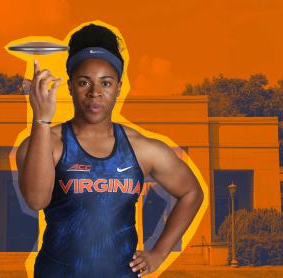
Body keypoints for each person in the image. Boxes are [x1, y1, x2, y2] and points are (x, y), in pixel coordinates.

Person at [16, 24, 204, 277]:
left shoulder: (141, 148)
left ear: (118, 87)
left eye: (105, 83)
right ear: (70, 86)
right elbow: (36, 200)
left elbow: (192, 192)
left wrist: (159, 253)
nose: (95, 93)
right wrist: (41, 120)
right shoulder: (45, 142)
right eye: (84, 82)